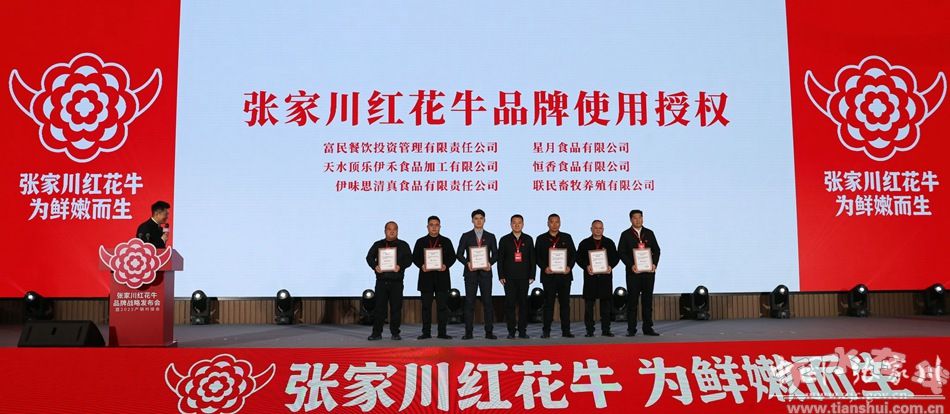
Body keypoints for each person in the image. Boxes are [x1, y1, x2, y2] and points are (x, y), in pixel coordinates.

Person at [365, 221, 413, 341]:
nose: (392, 231)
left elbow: (409, 259)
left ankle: (395, 333)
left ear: (397, 231)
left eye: (394, 229)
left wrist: (400, 266)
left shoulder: (403, 245)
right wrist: (375, 266)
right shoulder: (378, 244)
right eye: (389, 229)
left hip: (397, 282)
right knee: (379, 308)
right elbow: (369, 257)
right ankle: (376, 333)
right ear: (385, 231)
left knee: (396, 308)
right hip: (381, 282)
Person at [412, 216, 457, 340]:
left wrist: (445, 265)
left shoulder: (446, 241)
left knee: (442, 307)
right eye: (431, 225)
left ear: (440, 227)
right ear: (427, 227)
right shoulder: (420, 241)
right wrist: (421, 265)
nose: (434, 227)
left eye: (436, 225)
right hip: (426, 278)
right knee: (426, 307)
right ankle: (426, 333)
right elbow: (415, 257)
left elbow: (452, 257)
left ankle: (442, 332)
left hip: (442, 278)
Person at [456, 209, 498, 340]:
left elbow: (495, 254)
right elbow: (459, 254)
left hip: (486, 273)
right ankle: (468, 332)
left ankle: (489, 332)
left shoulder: (491, 236)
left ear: (484, 220)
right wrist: (467, 263)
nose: (478, 221)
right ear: (472, 220)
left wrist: (490, 263)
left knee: (488, 303)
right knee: (469, 303)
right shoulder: (466, 236)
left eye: (481, 218)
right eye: (476, 218)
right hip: (471, 273)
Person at [618, 209, 661, 336]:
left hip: (648, 273)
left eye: (640, 217)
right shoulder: (625, 234)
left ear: (643, 218)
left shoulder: (649, 233)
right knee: (632, 302)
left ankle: (648, 328)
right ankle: (631, 329)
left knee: (647, 301)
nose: (638, 220)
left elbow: (657, 250)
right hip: (633, 273)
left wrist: (654, 264)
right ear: (631, 220)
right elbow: (621, 252)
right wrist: (631, 265)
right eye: (635, 218)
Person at [576, 220, 620, 337]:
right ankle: (589, 330)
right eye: (595, 228)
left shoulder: (609, 242)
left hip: (605, 278)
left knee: (606, 307)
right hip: (590, 278)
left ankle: (606, 330)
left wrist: (610, 266)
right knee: (589, 307)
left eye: (600, 228)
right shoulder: (584, 243)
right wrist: (586, 266)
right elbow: (578, 258)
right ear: (591, 229)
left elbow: (616, 257)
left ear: (603, 229)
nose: (598, 230)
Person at [535, 213, 576, 338]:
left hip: (564, 276)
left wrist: (569, 267)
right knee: (548, 305)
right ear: (547, 223)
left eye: (557, 222)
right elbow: (537, 256)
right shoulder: (541, 238)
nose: (554, 224)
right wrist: (544, 268)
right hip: (548, 277)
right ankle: (546, 331)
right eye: (552, 222)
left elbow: (573, 255)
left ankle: (566, 331)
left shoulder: (567, 237)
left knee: (565, 305)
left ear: (560, 223)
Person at [497, 214, 536, 339]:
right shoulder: (504, 239)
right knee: (510, 305)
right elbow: (500, 259)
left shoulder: (528, 239)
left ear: (523, 224)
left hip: (524, 277)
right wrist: (501, 275)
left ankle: (522, 330)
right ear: (510, 224)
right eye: (514, 222)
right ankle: (511, 331)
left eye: (519, 222)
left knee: (523, 304)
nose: (517, 225)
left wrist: (532, 275)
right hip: (509, 277)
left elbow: (532, 258)